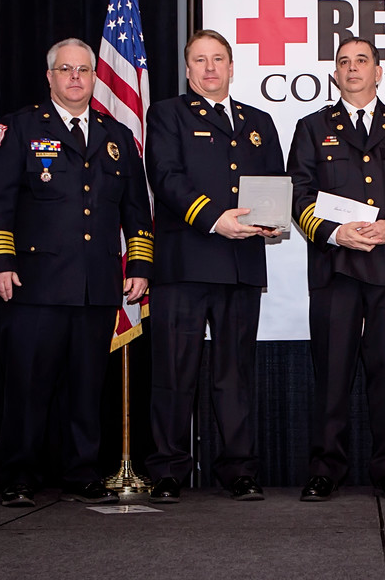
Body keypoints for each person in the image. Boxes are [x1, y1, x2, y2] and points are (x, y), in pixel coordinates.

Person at [0, 37, 153, 507]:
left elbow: (137, 210)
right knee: (28, 388)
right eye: (66, 70)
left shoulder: (116, 136)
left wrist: (137, 263)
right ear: (50, 76)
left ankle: (80, 471)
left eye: (84, 71)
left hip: (97, 286)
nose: (76, 78)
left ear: (95, 77)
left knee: (86, 387)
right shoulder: (18, 128)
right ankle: (18, 474)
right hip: (34, 284)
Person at [287, 36, 385, 501]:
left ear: (378, 71)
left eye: (362, 61)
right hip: (336, 265)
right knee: (331, 374)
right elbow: (298, 192)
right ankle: (325, 469)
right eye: (343, 62)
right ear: (334, 74)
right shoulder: (312, 127)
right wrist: (334, 232)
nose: (352, 69)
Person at [144, 29, 285, 503]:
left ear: (231, 66)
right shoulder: (167, 114)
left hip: (242, 264)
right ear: (188, 70)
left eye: (218, 59)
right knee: (173, 373)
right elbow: (165, 176)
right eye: (199, 60)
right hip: (185, 263)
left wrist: (271, 223)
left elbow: (274, 185)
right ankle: (167, 470)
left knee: (235, 375)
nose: (209, 68)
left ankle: (238, 470)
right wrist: (213, 218)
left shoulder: (259, 120)